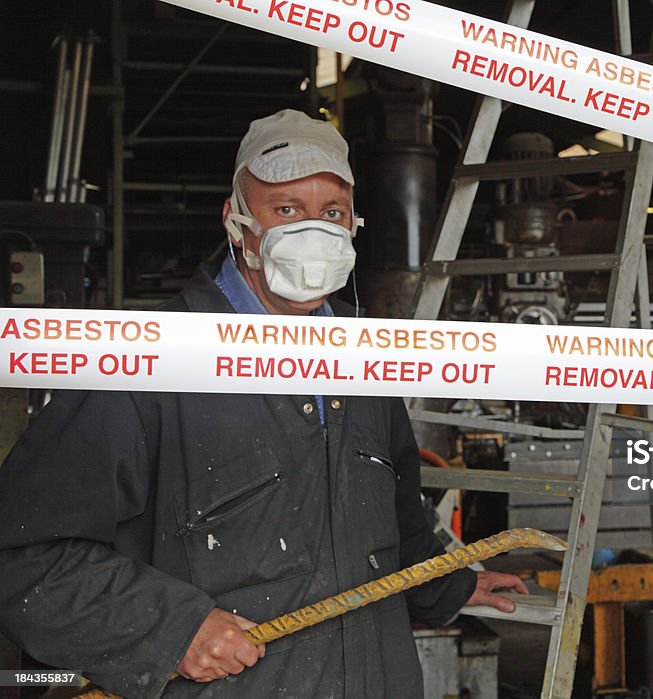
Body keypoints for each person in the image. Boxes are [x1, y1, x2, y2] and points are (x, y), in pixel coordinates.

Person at [0, 109, 527, 698]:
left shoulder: (360, 359)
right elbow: (24, 553)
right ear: (236, 221)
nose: (315, 231)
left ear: (354, 224)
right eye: (286, 209)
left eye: (332, 212)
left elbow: (394, 517)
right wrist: (171, 630)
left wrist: (443, 584)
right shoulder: (148, 363)